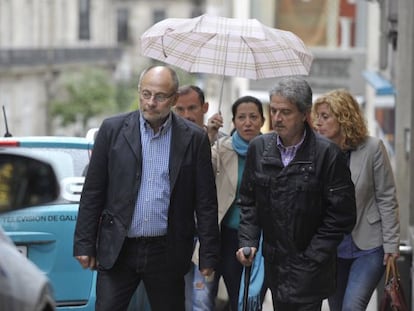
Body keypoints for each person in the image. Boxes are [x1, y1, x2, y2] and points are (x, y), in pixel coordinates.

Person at [73, 65, 220, 311]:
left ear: (174, 99)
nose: (151, 102)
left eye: (160, 97)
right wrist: (84, 243)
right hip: (119, 248)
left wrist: (208, 254)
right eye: (146, 94)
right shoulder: (113, 130)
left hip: (167, 251)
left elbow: (205, 201)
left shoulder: (193, 138)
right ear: (139, 92)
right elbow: (93, 192)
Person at [236, 77, 357, 311]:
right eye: (273, 110)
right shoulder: (259, 148)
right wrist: (248, 241)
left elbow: (342, 215)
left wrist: (313, 257)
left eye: (286, 112)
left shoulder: (327, 154)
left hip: (311, 267)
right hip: (275, 264)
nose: (277, 118)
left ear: (304, 114)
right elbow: (249, 202)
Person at [312, 89, 400, 311]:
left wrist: (391, 244)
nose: (318, 122)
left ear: (343, 118)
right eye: (317, 116)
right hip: (332, 249)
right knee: (337, 307)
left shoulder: (373, 148)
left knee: (352, 307)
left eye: (325, 116)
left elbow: (387, 197)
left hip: (369, 245)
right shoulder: (316, 152)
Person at [212, 95, 266, 311]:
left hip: (259, 238)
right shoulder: (220, 150)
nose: (247, 122)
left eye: (253, 117)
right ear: (233, 122)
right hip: (226, 236)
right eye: (241, 117)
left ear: (262, 120)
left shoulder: (271, 151)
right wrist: (209, 135)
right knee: (230, 295)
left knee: (250, 298)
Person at [173, 84, 223, 311]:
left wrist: (209, 140)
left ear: (205, 107)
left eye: (192, 108)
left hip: (205, 237)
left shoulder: (223, 144)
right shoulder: (168, 142)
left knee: (201, 301)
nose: (186, 115)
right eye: (180, 109)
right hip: (174, 237)